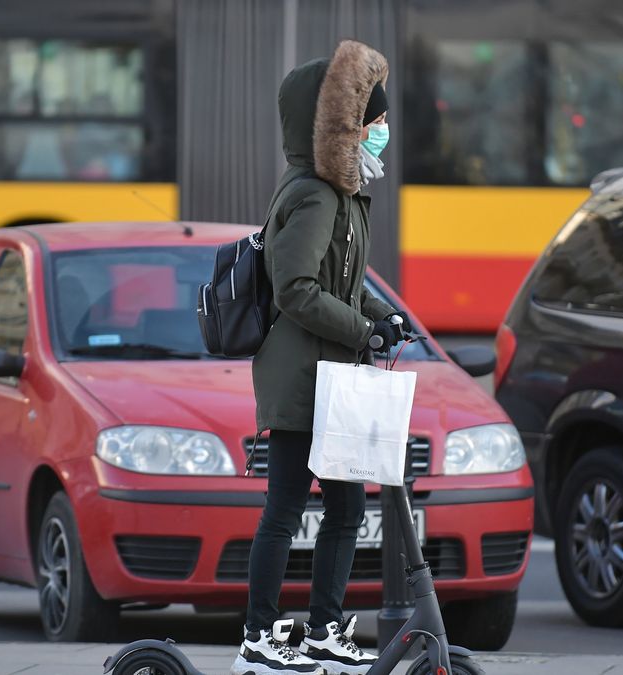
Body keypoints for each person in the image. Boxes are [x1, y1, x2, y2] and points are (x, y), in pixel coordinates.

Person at [232, 40, 414, 675]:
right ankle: (257, 641)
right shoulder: (314, 194)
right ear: (343, 124)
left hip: (332, 379)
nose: (383, 130)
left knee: (345, 509)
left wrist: (384, 315)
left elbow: (344, 281)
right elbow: (297, 290)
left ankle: (322, 633)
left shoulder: (344, 194)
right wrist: (364, 332)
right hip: (300, 380)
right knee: (285, 509)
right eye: (375, 120)